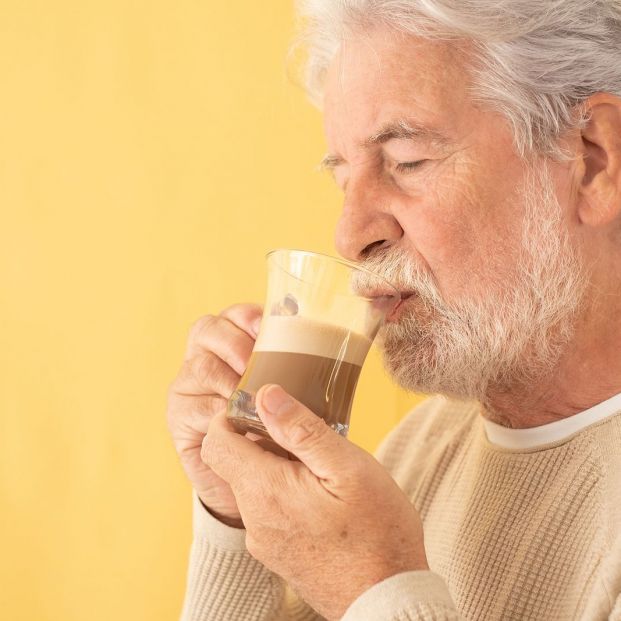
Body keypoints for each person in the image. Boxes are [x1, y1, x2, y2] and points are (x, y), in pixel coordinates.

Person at [166, 1, 621, 619]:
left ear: (593, 160)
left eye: (408, 162)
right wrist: (236, 519)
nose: (349, 233)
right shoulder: (418, 447)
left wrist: (371, 585)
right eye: (343, 178)